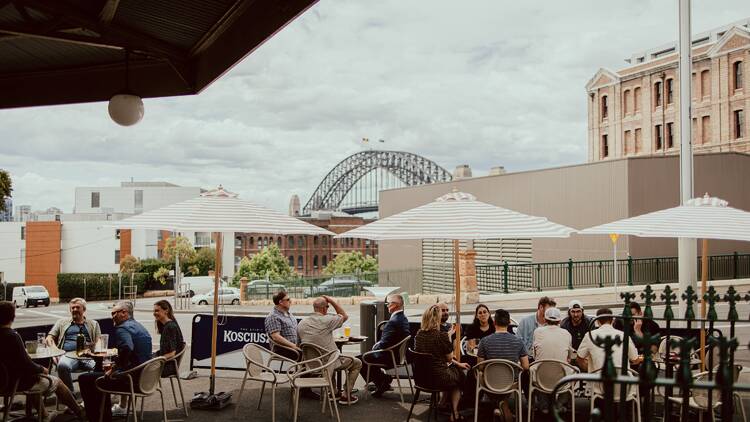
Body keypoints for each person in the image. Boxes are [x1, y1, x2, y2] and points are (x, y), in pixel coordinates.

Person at [0, 301, 84, 422]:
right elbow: (26, 365)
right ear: (12, 317)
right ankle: (79, 412)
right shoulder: (12, 336)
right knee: (56, 382)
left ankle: (44, 415)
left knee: (35, 379)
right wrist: (41, 369)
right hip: (14, 382)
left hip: (3, 381)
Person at [79, 301, 153, 421]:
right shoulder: (139, 326)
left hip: (131, 380)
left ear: (124, 313)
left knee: (85, 379)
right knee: (99, 372)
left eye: (114, 313)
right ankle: (104, 414)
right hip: (146, 377)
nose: (112, 316)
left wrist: (114, 368)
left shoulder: (122, 328)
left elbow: (127, 347)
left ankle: (98, 417)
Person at [297, 295, 362, 404]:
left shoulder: (301, 323)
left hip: (313, 364)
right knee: (357, 363)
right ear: (324, 308)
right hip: (329, 362)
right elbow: (344, 316)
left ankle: (334, 392)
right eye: (327, 306)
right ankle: (346, 395)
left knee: (328, 356)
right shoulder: (327, 320)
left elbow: (299, 344)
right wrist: (332, 300)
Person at [414, 305, 469, 422]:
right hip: (438, 378)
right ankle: (455, 413)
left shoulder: (419, 334)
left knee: (456, 371)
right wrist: (449, 337)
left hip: (422, 378)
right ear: (437, 319)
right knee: (460, 376)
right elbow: (449, 358)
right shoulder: (441, 336)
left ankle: (443, 403)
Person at [477, 309, 529, 422]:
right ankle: (502, 404)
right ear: (509, 322)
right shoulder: (518, 341)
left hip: (489, 382)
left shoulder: (484, 341)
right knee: (516, 376)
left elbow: (480, 366)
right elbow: (525, 366)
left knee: (478, 374)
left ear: (494, 322)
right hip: (510, 383)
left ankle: (496, 403)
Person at [576, 308, 641, 396]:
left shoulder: (590, 336)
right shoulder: (623, 335)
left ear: (597, 321)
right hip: (623, 386)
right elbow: (635, 360)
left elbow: (579, 359)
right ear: (613, 320)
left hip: (600, 386)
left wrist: (592, 371)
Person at [45, 297, 101, 392]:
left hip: (88, 356)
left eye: (77, 307)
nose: (74, 310)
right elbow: (49, 338)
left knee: (100, 367)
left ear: (84, 309)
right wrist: (55, 351)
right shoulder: (61, 322)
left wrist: (97, 351)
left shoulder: (93, 324)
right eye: (72, 308)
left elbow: (99, 340)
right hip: (68, 355)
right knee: (62, 365)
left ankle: (92, 399)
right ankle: (71, 398)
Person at [359, 294, 410, 397]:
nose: (387, 306)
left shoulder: (393, 322)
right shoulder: (403, 318)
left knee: (360, 359)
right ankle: (381, 381)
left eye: (388, 303)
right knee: (367, 356)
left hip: (390, 356)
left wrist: (374, 347)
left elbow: (384, 343)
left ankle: (381, 381)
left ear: (395, 305)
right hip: (398, 356)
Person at [264, 290, 301, 360]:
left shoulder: (288, 314)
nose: (290, 301)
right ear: (280, 302)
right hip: (283, 350)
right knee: (309, 354)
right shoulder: (273, 316)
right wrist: (294, 346)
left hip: (294, 347)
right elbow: (276, 337)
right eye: (288, 299)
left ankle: (307, 370)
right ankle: (308, 370)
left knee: (312, 351)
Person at [152, 300, 185, 377]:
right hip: (168, 364)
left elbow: (171, 353)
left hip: (167, 367)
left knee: (139, 367)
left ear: (166, 311)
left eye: (157, 311)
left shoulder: (170, 327)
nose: (154, 313)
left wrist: (155, 359)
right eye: (154, 311)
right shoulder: (169, 325)